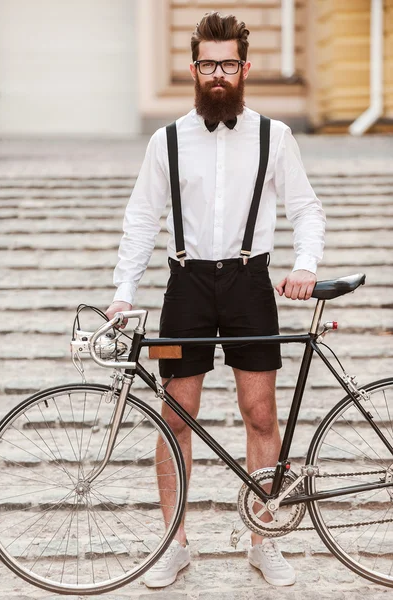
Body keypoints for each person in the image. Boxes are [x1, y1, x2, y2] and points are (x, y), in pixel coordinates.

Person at [106, 11, 325, 589]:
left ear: (245, 68)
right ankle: (173, 544)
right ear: (194, 68)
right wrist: (123, 293)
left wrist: (305, 265)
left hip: (252, 285)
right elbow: (140, 219)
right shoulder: (167, 140)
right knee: (177, 418)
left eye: (230, 63)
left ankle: (264, 538)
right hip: (188, 287)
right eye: (209, 64)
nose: (219, 74)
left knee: (261, 415)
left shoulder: (275, 136)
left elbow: (306, 209)